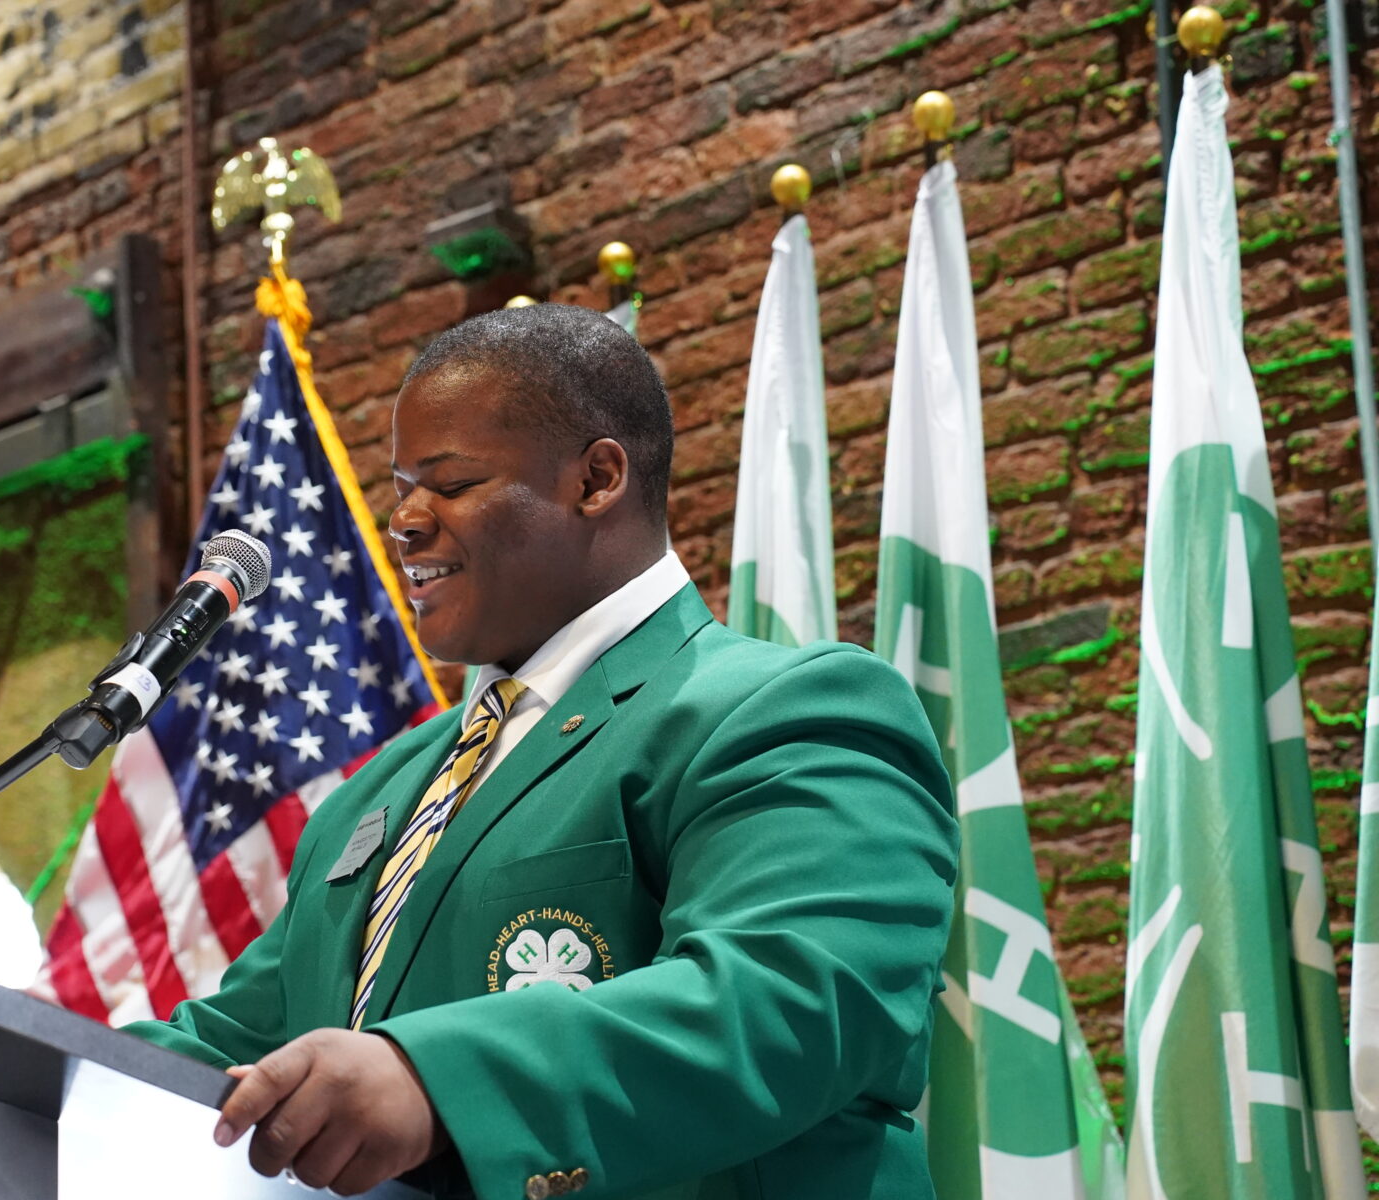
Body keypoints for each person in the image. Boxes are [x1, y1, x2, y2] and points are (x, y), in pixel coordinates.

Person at [127, 303, 959, 1199]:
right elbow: (242, 1053)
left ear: (597, 478)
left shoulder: (784, 709)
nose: (403, 521)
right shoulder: (380, 794)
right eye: (403, 484)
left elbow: (789, 1003)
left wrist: (436, 1080)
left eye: (449, 483)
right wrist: (15, 1064)